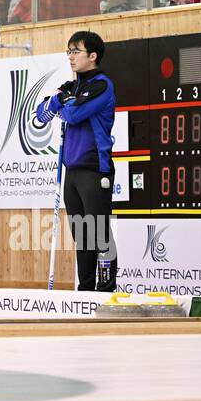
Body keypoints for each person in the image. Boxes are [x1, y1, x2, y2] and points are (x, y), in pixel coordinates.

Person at [34, 31, 118, 292]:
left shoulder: (101, 85)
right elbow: (41, 114)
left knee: (98, 231)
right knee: (82, 235)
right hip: (72, 170)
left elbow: (73, 115)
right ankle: (85, 289)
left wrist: (61, 104)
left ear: (92, 56)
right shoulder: (71, 87)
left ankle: (105, 290)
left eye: (76, 52)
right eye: (68, 51)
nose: (70, 57)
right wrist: (61, 99)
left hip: (95, 168)